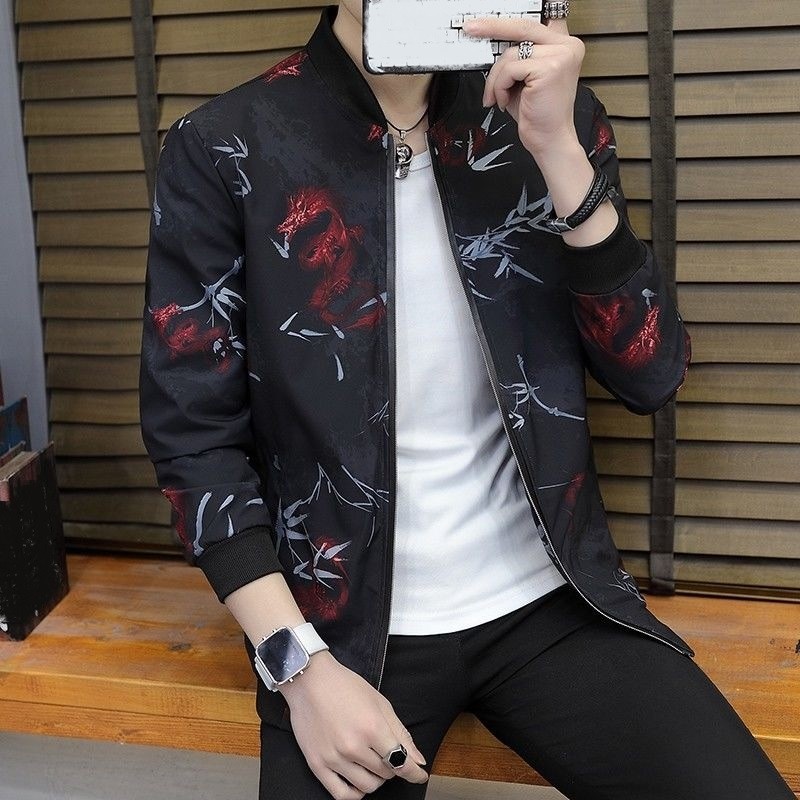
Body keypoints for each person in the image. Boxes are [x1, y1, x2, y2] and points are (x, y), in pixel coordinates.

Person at [138, 2, 795, 798]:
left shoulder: (548, 118)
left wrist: (559, 151)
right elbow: (193, 438)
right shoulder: (225, 145)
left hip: (551, 605)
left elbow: (650, 374)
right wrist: (297, 668)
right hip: (342, 634)